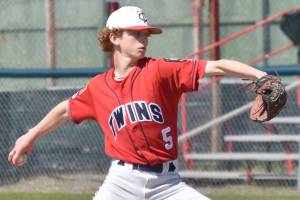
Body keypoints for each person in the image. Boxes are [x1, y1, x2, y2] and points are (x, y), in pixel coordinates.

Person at [8, 6, 267, 200]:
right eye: (136, 34)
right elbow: (65, 109)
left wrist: (260, 76)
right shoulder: (98, 87)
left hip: (168, 183)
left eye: (146, 34)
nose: (144, 39)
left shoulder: (161, 70)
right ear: (114, 37)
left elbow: (217, 66)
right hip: (121, 182)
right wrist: (30, 136)